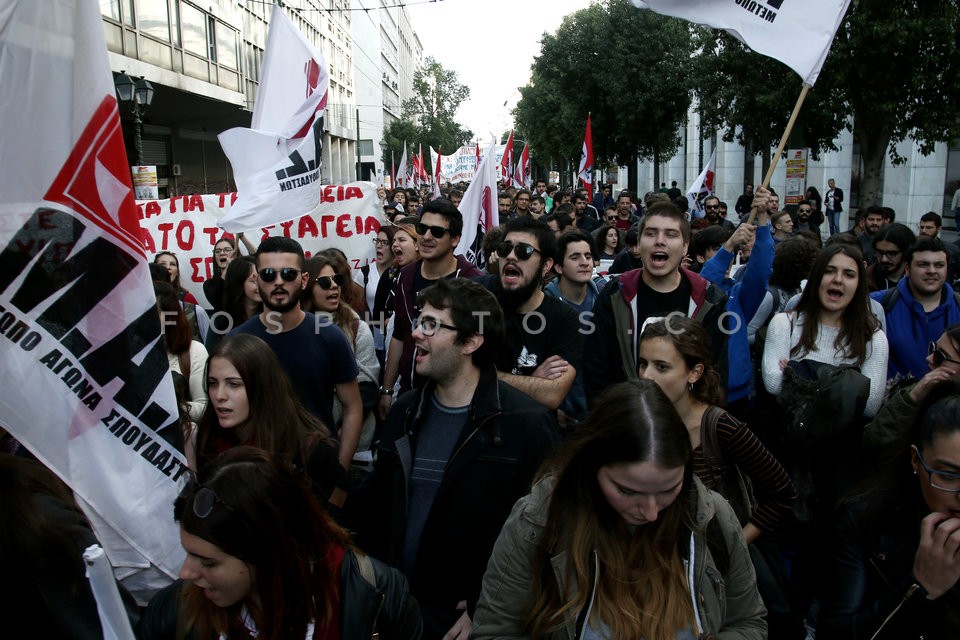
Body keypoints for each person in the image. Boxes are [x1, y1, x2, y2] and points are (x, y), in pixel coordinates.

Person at [472, 380, 767, 640]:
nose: (651, 512)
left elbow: (748, 623)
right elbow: (495, 631)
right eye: (627, 491)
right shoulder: (538, 520)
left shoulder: (712, 517)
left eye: (668, 490)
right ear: (591, 466)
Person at [370, 278, 558, 640]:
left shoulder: (527, 426)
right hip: (397, 606)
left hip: (467, 621)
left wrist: (485, 604)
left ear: (471, 341)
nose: (415, 335)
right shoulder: (406, 411)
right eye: (418, 322)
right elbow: (380, 503)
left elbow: (545, 538)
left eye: (431, 325)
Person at [138, 446, 422, 640]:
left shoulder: (379, 596)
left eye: (208, 562)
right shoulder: (176, 612)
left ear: (269, 553)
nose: (186, 573)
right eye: (189, 554)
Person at [818, 381, 960, 639]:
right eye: (948, 475)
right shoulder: (865, 522)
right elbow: (835, 634)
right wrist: (920, 587)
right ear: (916, 460)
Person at [638, 318, 796, 540]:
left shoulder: (721, 427)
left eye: (661, 367)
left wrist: (735, 547)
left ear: (694, 372)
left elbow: (782, 493)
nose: (646, 376)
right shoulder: (639, 420)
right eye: (643, 363)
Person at [231, 236, 362, 469]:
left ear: (303, 280)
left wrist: (338, 474)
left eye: (288, 274)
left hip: (318, 472)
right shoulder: (236, 342)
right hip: (258, 475)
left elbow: (353, 406)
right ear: (257, 279)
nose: (279, 282)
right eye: (269, 274)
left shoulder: (330, 337)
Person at [585, 201, 729, 400]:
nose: (659, 241)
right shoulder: (615, 293)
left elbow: (714, 373)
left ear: (685, 246)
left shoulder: (710, 299)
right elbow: (595, 369)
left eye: (670, 234)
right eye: (651, 233)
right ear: (640, 243)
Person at [196, 334, 349, 512]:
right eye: (212, 383)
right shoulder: (207, 444)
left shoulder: (308, 454)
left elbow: (345, 527)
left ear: (262, 386)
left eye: (234, 384)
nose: (219, 395)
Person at [378, 199, 482, 418]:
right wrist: (388, 390)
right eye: (422, 229)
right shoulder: (405, 275)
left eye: (436, 231)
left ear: (454, 239)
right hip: (410, 393)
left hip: (457, 401)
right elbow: (400, 334)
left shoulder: (472, 281)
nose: (426, 237)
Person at [483, 216, 581, 411]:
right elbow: (457, 371)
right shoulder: (477, 298)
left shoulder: (564, 318)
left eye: (524, 251)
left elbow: (552, 394)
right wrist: (531, 381)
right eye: (505, 249)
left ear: (546, 265)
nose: (511, 256)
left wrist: (485, 375)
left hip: (533, 435)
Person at [304, 252, 380, 452]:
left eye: (336, 280)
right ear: (307, 287)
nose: (334, 286)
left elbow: (368, 389)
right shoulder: (292, 329)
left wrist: (341, 433)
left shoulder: (357, 328)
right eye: (324, 282)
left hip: (352, 446)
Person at [871, 236, 960, 380]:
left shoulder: (958, 306)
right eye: (923, 264)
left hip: (947, 400)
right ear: (907, 269)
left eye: (939, 265)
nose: (931, 271)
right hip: (894, 400)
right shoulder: (877, 304)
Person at [156, 281, 208, 422]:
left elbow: (204, 406)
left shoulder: (194, 351)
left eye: (153, 313)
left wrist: (167, 410)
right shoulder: (128, 354)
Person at [205, 256, 260, 349]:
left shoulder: (272, 317)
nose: (260, 285)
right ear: (238, 283)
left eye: (261, 279)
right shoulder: (220, 321)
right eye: (253, 281)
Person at [866, 222, 915, 292]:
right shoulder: (865, 279)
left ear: (906, 252)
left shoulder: (918, 280)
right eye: (880, 252)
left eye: (892, 253)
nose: (884, 259)